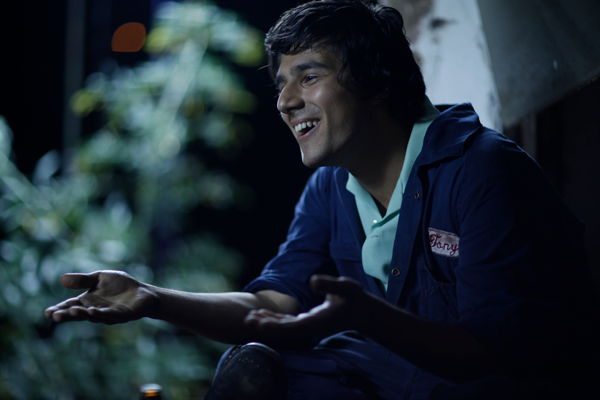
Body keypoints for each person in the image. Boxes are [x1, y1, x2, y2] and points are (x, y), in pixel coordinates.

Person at [45, 1, 598, 399]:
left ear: (377, 80)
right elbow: (271, 306)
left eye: (308, 77)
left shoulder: (483, 171)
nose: (285, 102)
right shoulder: (331, 186)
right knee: (255, 362)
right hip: (399, 383)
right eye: (281, 85)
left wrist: (369, 317)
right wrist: (153, 297)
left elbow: (496, 354)